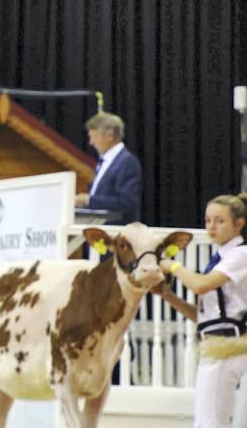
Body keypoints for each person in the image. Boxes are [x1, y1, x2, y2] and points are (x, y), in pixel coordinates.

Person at [155, 193, 247, 428]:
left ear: (239, 223)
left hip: (228, 346)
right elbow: (203, 316)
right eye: (208, 221)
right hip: (216, 342)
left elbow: (200, 284)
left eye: (219, 221)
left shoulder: (240, 254)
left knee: (210, 423)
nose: (211, 227)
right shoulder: (221, 258)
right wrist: (169, 296)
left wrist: (172, 265)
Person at [74, 112, 141, 224]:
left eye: (94, 137)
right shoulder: (105, 161)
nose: (91, 143)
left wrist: (87, 200)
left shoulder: (127, 162)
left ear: (110, 135)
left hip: (115, 235)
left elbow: (126, 202)